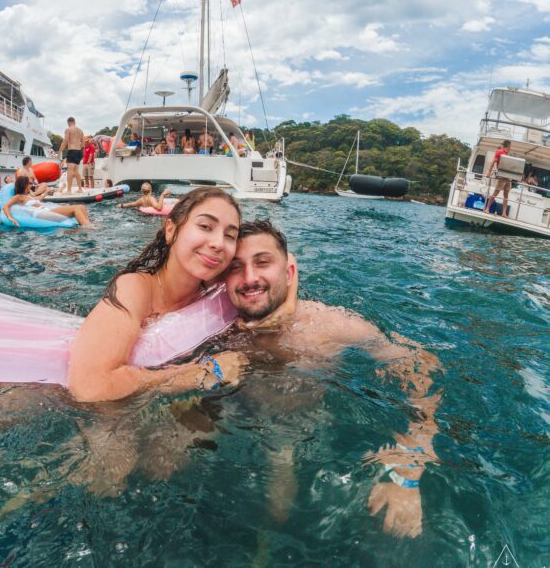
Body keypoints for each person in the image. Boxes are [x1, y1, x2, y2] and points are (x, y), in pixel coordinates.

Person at [218, 220, 440, 538]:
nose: (250, 277)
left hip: (297, 424)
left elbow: (422, 368)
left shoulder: (333, 326)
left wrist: (408, 470)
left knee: (279, 511)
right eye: (236, 268)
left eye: (263, 262)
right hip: (231, 405)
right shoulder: (219, 325)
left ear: (289, 273)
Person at [69, 187, 249, 402]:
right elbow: (91, 386)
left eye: (230, 236)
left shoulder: (220, 287)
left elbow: (278, 268)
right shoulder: (134, 288)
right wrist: (199, 374)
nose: (218, 243)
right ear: (171, 230)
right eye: (205, 226)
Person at [3, 176, 91, 227]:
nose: (31, 185)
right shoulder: (18, 197)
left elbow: (39, 200)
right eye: (29, 184)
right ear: (23, 185)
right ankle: (88, 228)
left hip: (45, 211)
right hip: (41, 214)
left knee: (81, 207)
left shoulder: (28, 196)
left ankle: (88, 224)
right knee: (75, 209)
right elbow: (6, 206)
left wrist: (46, 192)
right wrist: (10, 217)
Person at [484, 140, 512, 217]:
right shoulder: (500, 152)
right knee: (496, 192)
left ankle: (504, 213)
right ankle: (487, 208)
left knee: (506, 194)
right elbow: (493, 161)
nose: (510, 147)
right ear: (508, 145)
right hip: (502, 176)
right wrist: (489, 172)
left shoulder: (506, 153)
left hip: (508, 176)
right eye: (510, 145)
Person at [59, 117, 84, 194]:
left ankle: (69, 190)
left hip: (72, 151)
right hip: (79, 152)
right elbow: (83, 143)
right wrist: (81, 153)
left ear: (68, 122)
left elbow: (65, 141)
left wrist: (59, 151)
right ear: (74, 122)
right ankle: (80, 189)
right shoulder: (80, 131)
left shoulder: (68, 130)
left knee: (70, 171)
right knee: (76, 172)